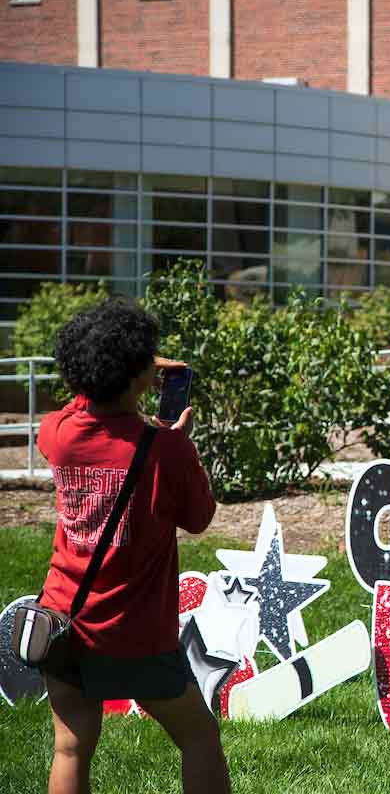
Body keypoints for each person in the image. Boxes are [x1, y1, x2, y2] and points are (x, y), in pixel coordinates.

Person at [36, 298, 229, 794]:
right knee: (200, 737)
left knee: (71, 747)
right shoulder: (165, 449)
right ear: (140, 376)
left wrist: (123, 370)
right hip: (135, 632)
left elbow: (82, 405)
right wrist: (183, 446)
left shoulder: (56, 434)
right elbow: (200, 518)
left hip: (62, 623)